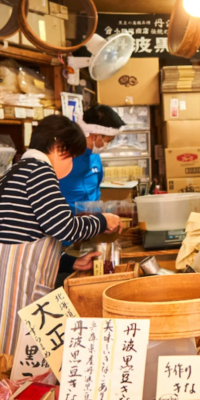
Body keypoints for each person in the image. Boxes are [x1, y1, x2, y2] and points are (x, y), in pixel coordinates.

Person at [0, 115, 121, 354]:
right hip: (9, 286)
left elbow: (28, 234)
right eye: (71, 157)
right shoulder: (39, 173)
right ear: (57, 146)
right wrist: (102, 220)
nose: (72, 164)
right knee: (4, 358)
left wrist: (71, 261)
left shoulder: (16, 172)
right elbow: (64, 227)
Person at [57, 104, 125, 275]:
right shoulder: (63, 158)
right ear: (95, 135)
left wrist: (106, 218)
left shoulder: (95, 158)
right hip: (61, 241)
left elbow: (95, 195)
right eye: (108, 141)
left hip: (88, 234)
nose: (107, 145)